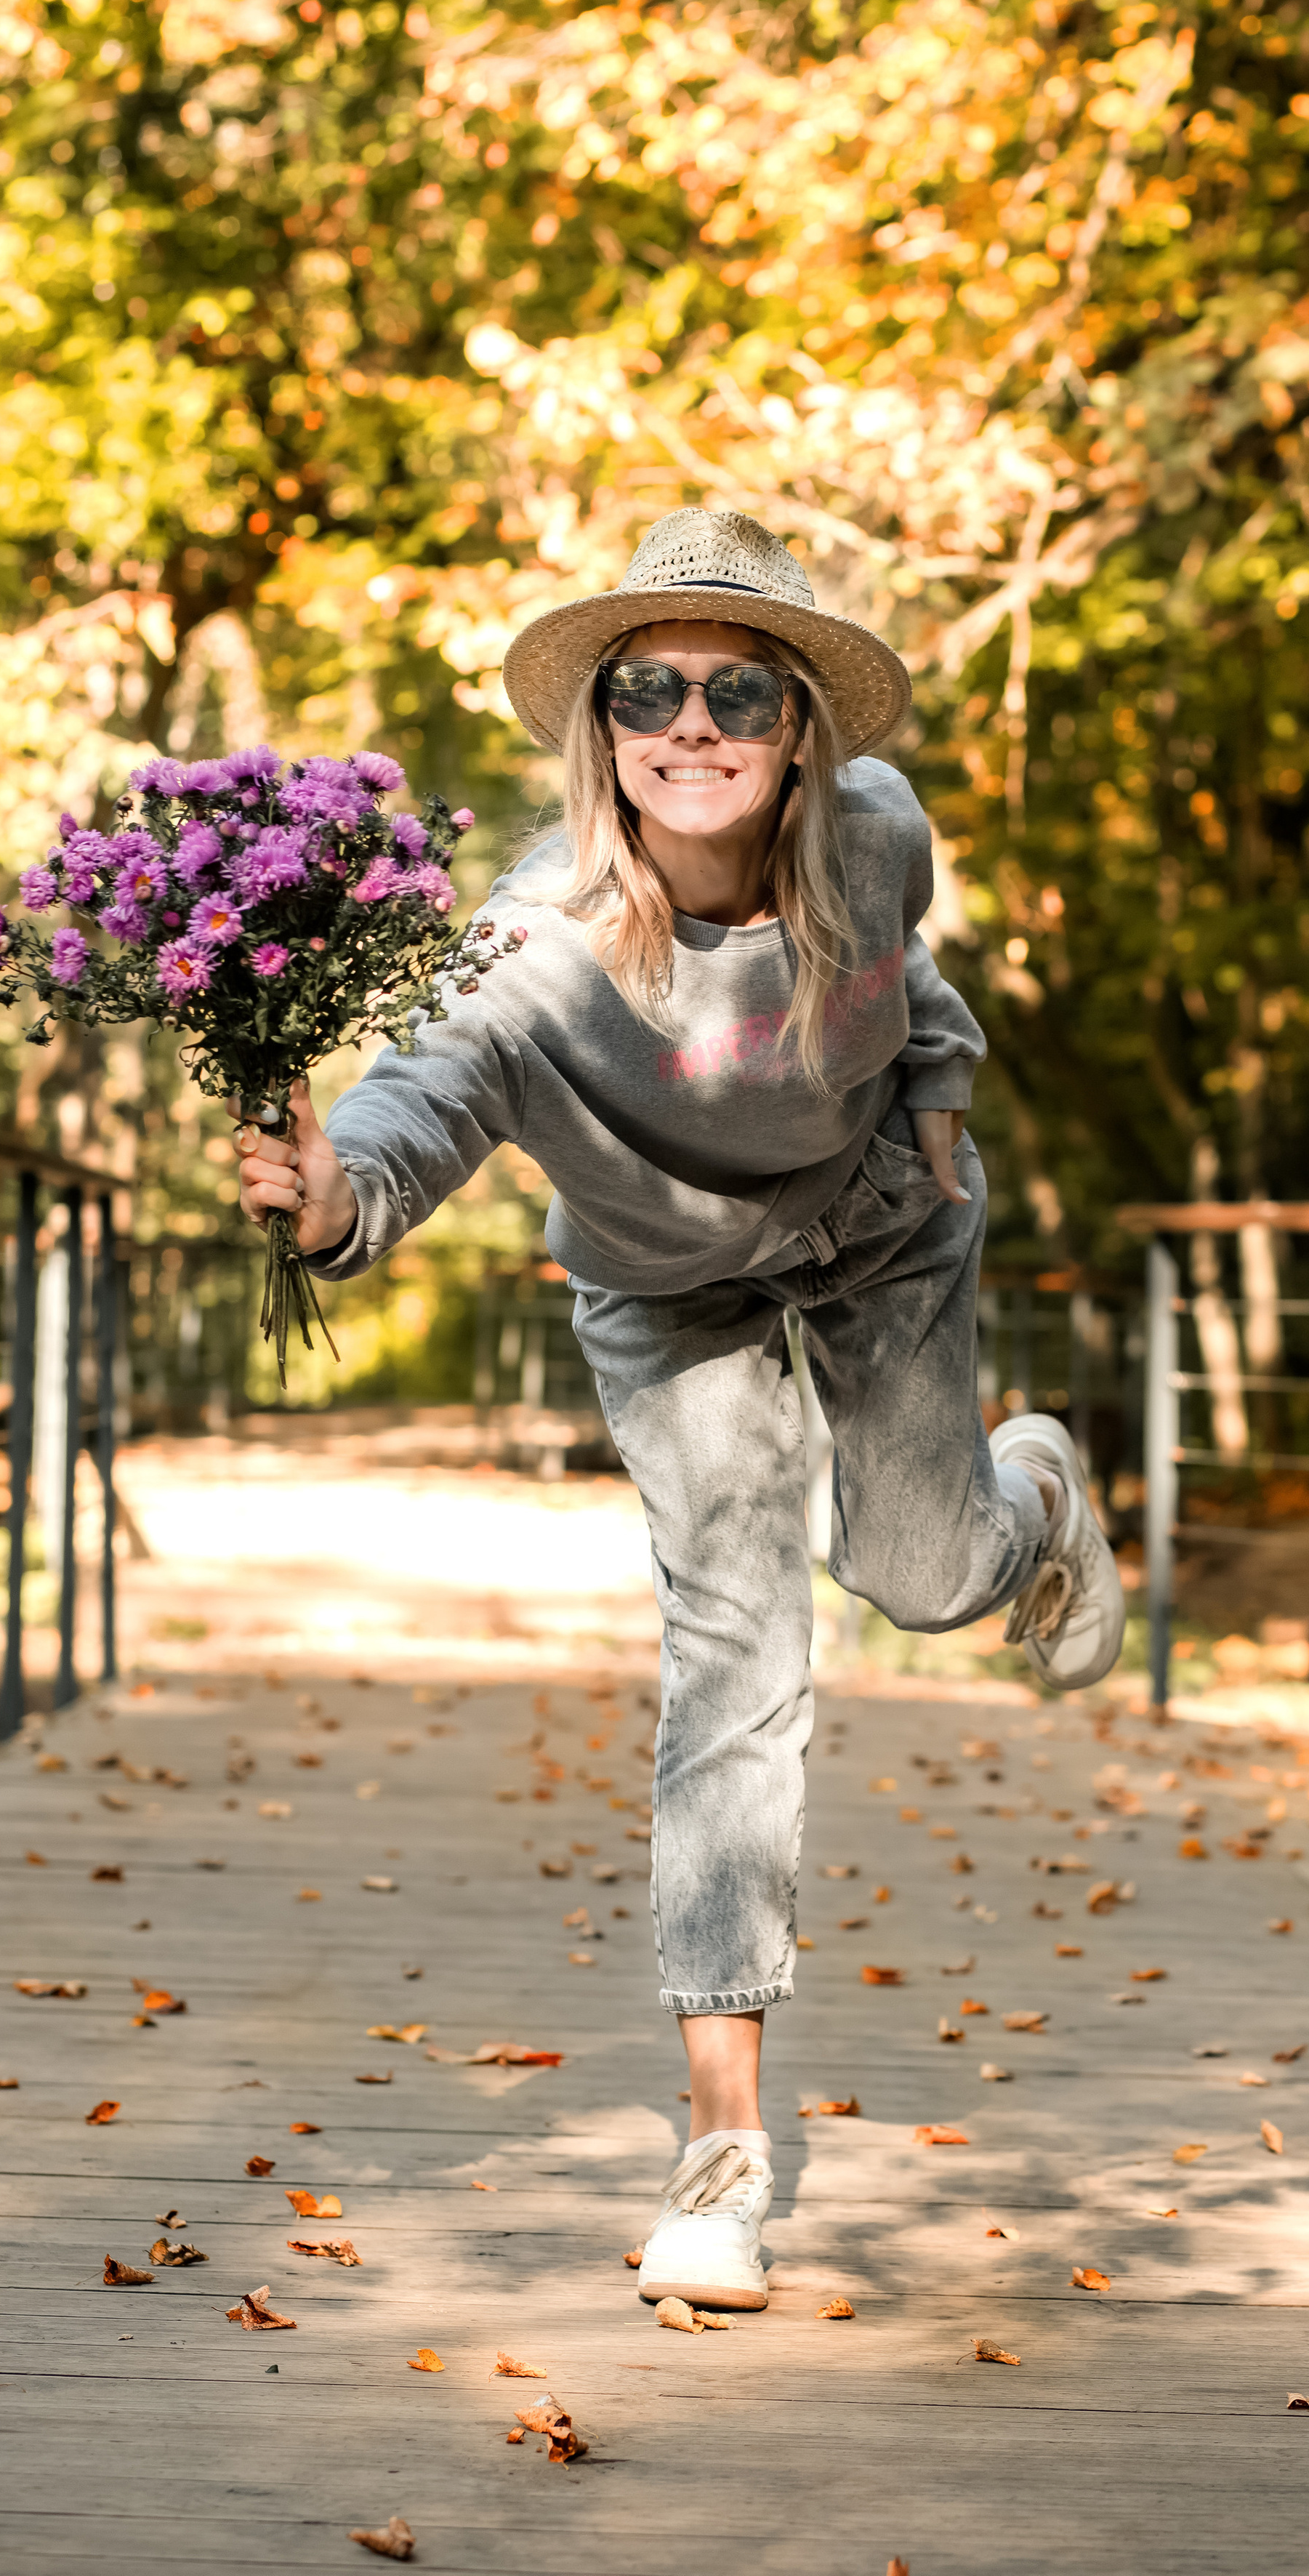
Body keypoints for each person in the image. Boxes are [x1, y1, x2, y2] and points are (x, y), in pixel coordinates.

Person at [234, 508, 1124, 2311]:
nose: (692, 721)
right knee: (732, 1662)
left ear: (797, 725)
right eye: (649, 687)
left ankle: (1024, 1497)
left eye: (737, 688)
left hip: (880, 1229)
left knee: (932, 1579)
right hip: (664, 1289)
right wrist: (330, 1204)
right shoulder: (529, 941)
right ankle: (720, 2158)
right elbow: (423, 1094)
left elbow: (914, 985)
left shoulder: (873, 834)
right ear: (605, 728)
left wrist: (940, 1116)